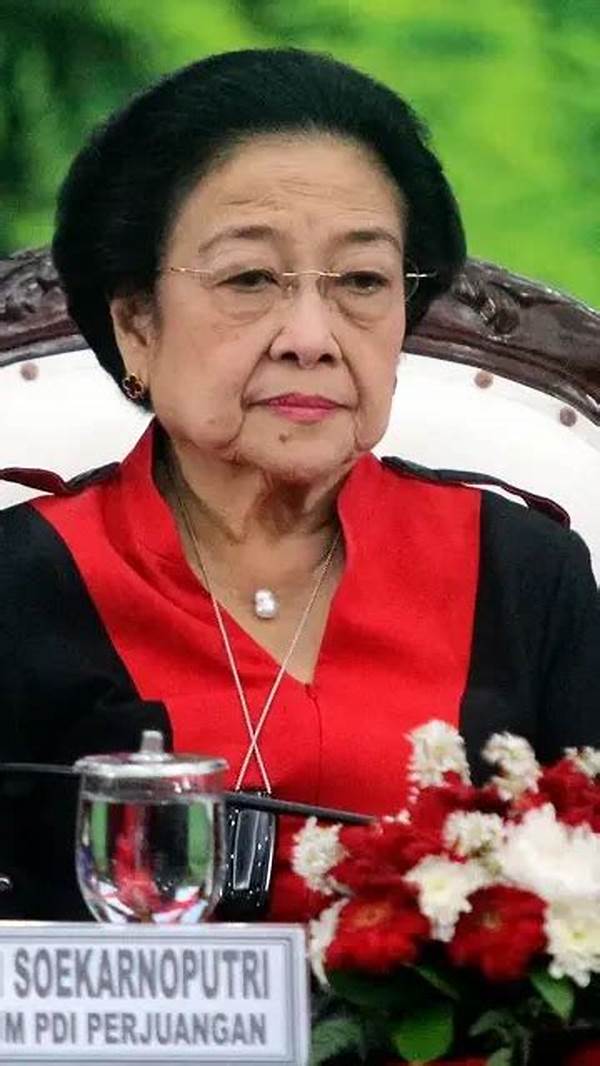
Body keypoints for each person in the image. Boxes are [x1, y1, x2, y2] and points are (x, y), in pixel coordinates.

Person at [0, 48, 599, 924]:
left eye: (362, 281)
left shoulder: (524, 572)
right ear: (135, 326)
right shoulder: (21, 583)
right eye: (249, 279)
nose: (311, 338)